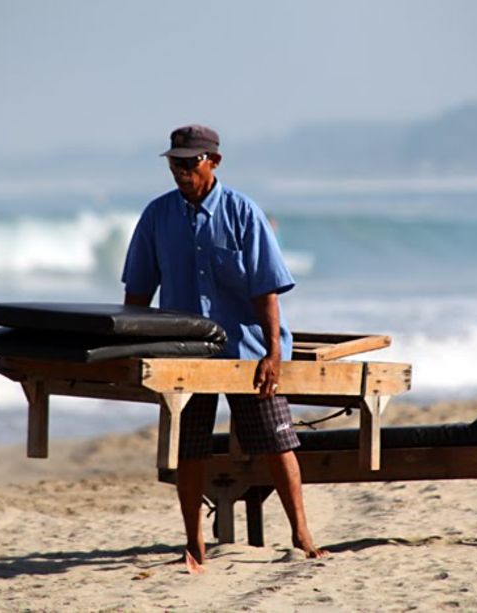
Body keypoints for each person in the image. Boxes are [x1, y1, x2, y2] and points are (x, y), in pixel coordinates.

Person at [121, 124, 327, 573]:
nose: (181, 171)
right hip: (183, 355)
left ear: (213, 161)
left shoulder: (242, 212)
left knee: (278, 440)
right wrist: (130, 350)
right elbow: (137, 292)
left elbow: (266, 289)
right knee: (189, 447)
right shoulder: (157, 217)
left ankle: (302, 535)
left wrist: (273, 353)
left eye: (189, 162)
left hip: (247, 350)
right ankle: (193, 544)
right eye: (174, 162)